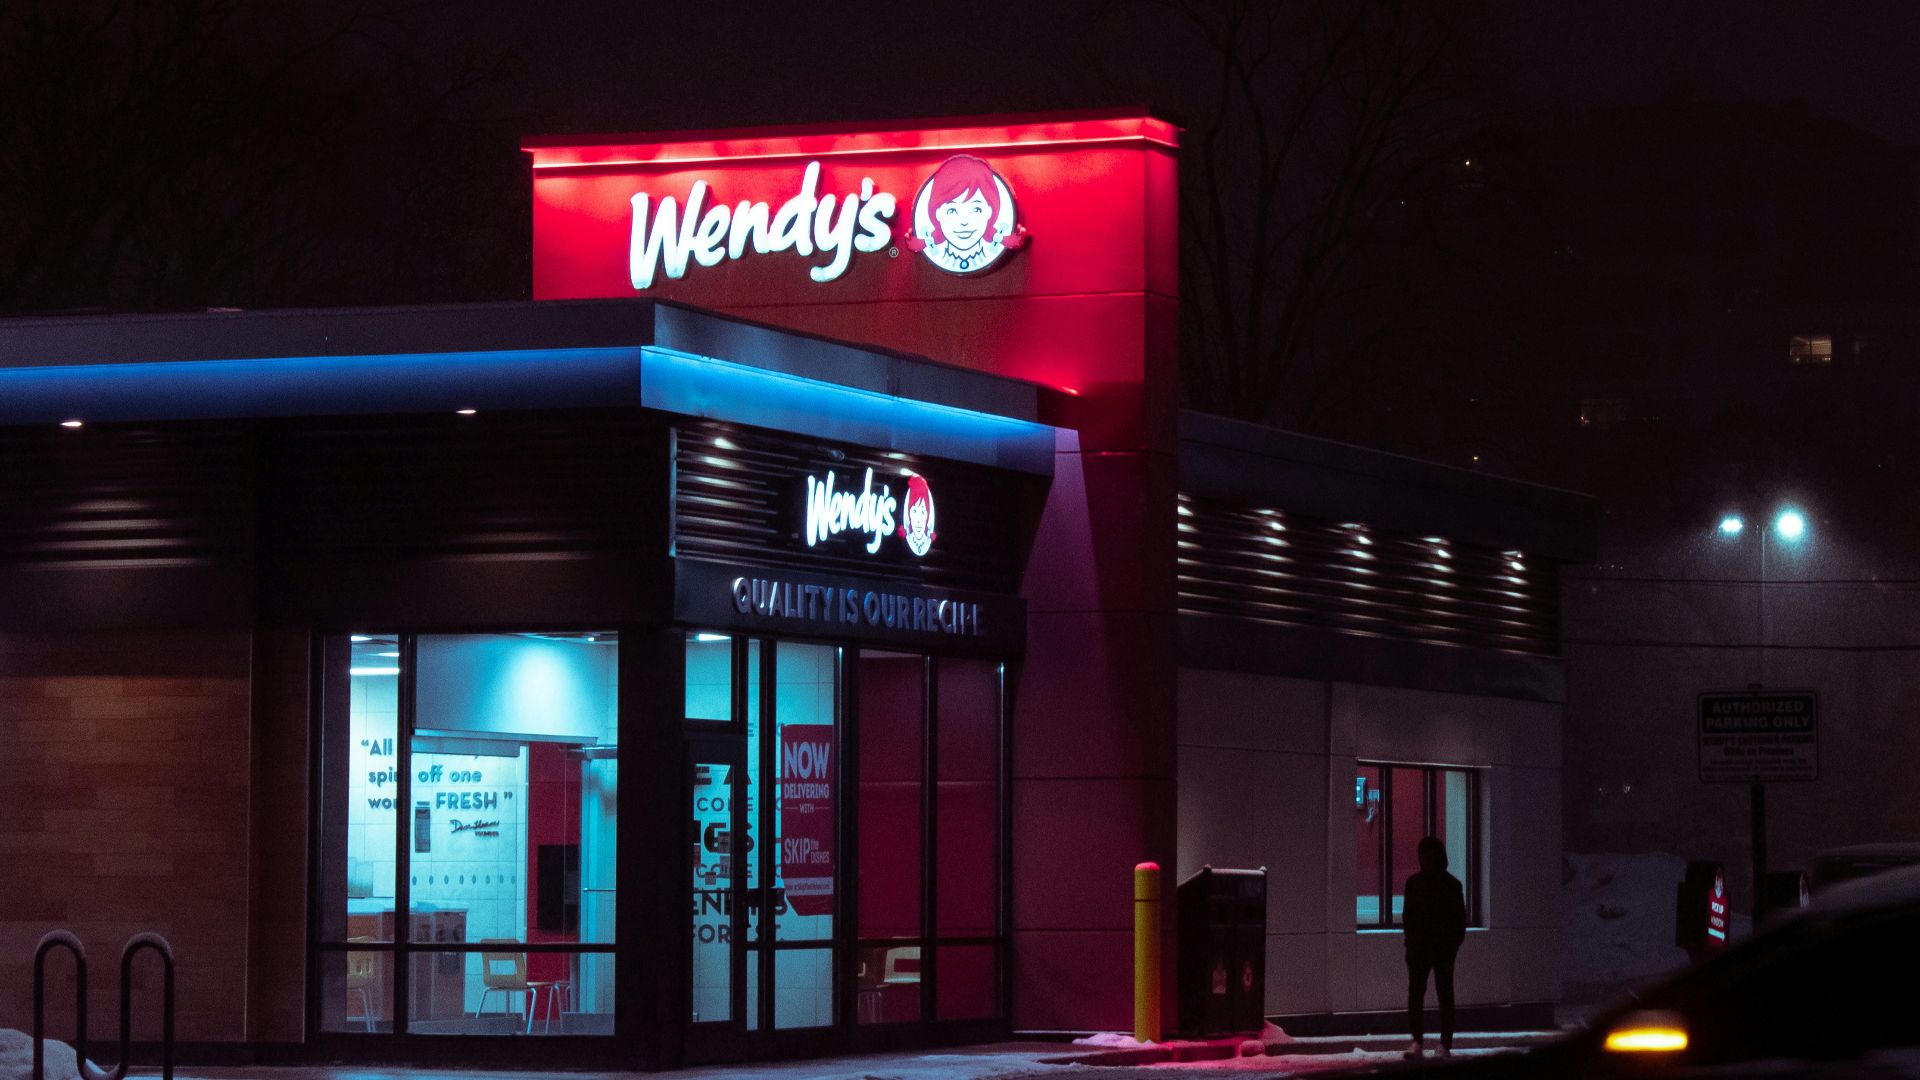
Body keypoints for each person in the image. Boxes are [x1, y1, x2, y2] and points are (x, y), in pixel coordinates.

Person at [1402, 835, 1467, 1059]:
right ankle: (1437, 1044)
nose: (1424, 859)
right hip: (1429, 949)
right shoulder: (1449, 885)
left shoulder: (1418, 884)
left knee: (1429, 995)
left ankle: (1424, 1043)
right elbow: (1408, 919)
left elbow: (1458, 923)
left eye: (1428, 854)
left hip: (1435, 949)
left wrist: (1449, 947)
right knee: (1437, 996)